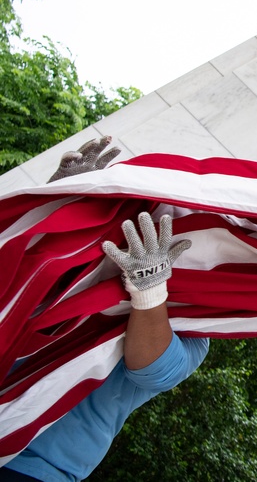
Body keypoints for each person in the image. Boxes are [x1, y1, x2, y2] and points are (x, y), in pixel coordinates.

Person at [0, 138, 209, 482]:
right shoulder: (96, 256)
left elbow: (156, 371)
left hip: (37, 466)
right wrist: (64, 202)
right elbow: (20, 270)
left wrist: (150, 291)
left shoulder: (199, 325)